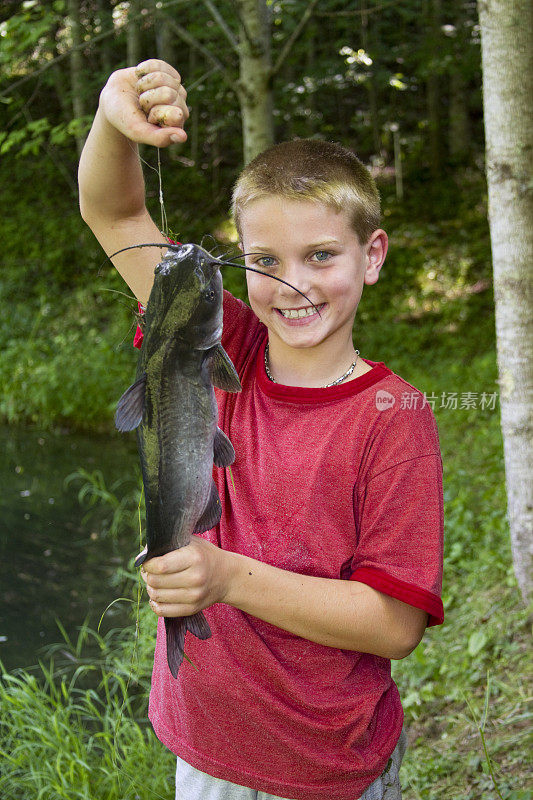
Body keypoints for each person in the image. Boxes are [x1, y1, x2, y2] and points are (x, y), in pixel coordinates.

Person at [78, 59, 444, 800]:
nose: (293, 284)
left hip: (322, 766)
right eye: (262, 260)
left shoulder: (393, 419)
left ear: (371, 257)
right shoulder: (214, 340)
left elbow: (394, 624)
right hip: (204, 746)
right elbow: (114, 216)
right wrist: (114, 120)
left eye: (319, 256)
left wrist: (226, 577)